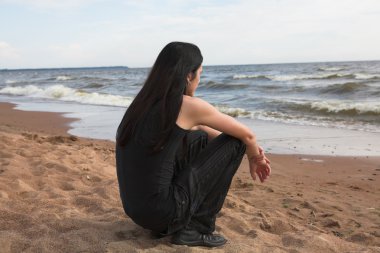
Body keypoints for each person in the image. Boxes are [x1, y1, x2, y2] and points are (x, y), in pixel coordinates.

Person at [115, 42, 271, 247]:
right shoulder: (187, 106)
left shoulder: (142, 103)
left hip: (138, 212)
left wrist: (233, 150)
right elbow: (246, 136)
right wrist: (253, 155)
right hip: (163, 213)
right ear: (188, 75)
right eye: (200, 73)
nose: (199, 80)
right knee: (236, 142)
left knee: (198, 138)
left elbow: (204, 133)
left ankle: (186, 219)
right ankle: (197, 228)